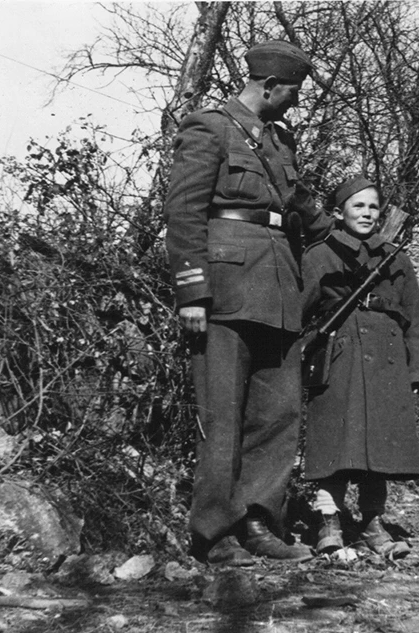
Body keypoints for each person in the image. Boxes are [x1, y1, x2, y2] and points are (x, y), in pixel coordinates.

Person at [164, 40, 332, 566]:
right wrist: (192, 291)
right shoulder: (209, 127)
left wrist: (352, 235)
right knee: (224, 417)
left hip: (279, 290)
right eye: (293, 92)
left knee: (278, 415)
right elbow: (184, 211)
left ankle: (259, 521)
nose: (296, 102)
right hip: (226, 290)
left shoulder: (279, 141)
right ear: (268, 85)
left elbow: (300, 208)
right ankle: (213, 534)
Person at [301, 176, 419, 558]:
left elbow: (415, 319)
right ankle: (328, 518)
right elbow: (299, 311)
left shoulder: (396, 257)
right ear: (339, 212)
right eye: (358, 205)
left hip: (388, 360)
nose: (366, 213)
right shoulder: (319, 254)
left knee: (380, 444)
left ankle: (372, 521)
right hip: (339, 355)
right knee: (336, 441)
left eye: (373, 207)